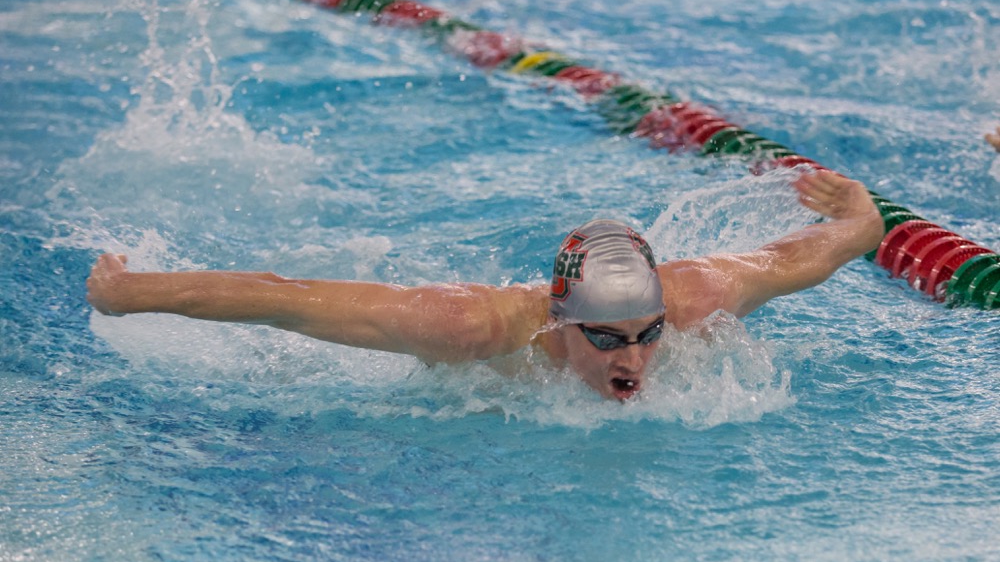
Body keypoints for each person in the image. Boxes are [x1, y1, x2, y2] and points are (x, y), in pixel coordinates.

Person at [86, 169, 884, 401]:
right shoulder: (467, 328)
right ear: (561, 323)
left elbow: (815, 253)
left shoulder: (694, 298)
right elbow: (280, 295)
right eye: (606, 339)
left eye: (647, 335)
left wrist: (857, 212)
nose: (634, 360)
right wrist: (129, 293)